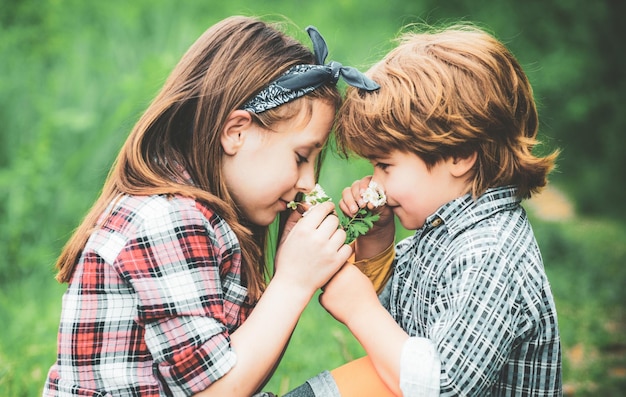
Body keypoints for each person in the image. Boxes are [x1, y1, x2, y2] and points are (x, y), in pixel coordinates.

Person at [43, 16, 379, 397]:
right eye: (301, 156)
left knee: (379, 379)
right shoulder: (168, 219)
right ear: (236, 132)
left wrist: (291, 274)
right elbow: (216, 391)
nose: (308, 182)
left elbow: (240, 373)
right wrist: (292, 282)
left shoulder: (206, 218)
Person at [285, 23, 562, 396]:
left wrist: (359, 308)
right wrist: (377, 246)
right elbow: (399, 342)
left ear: (459, 155)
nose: (375, 183)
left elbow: (442, 385)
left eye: (385, 166)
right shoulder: (444, 230)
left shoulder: (488, 253)